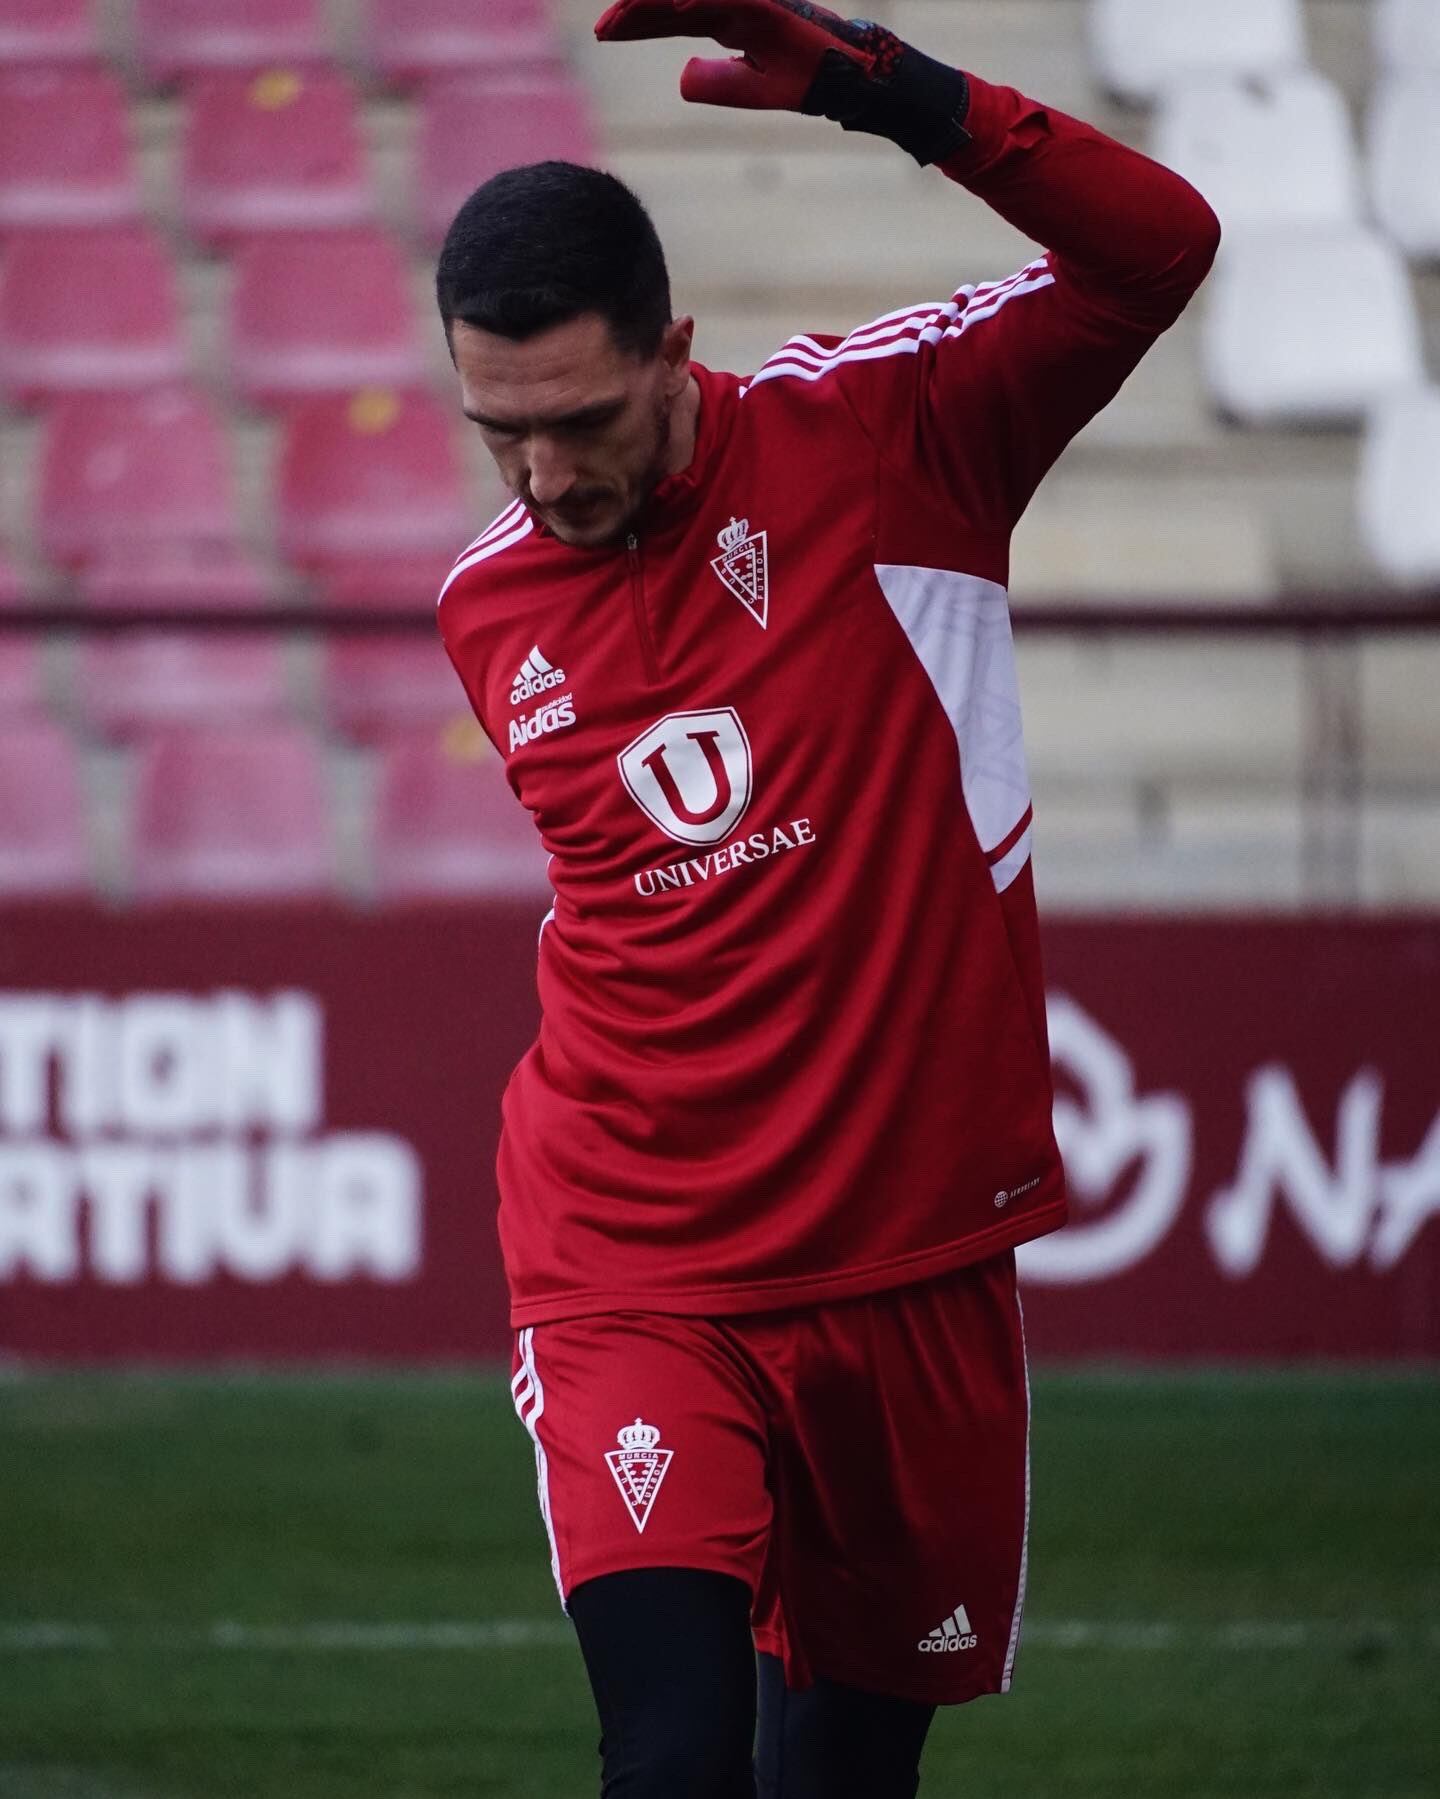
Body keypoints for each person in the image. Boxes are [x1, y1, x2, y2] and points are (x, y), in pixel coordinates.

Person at [434, 3, 1219, 1792]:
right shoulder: (486, 609)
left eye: (577, 422)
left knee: (841, 1784)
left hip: (909, 1265)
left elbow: (1163, 245)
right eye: (499, 434)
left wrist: (890, 90)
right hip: (637, 1254)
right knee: (675, 1756)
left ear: (676, 351)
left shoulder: (896, 439)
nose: (544, 479)